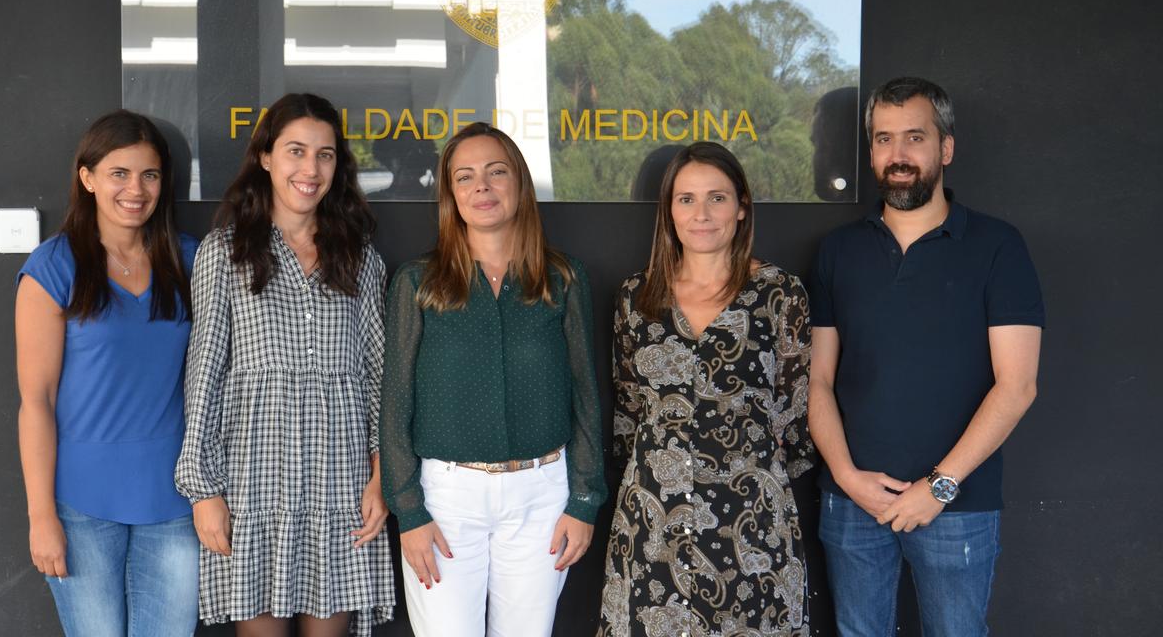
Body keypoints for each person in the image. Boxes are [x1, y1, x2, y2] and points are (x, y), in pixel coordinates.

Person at [808, 77, 1044, 637]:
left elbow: (1018, 386)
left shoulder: (997, 246)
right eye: (884, 139)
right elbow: (817, 379)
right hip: (852, 503)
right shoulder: (838, 250)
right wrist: (846, 476)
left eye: (915, 137)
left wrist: (938, 486)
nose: (898, 156)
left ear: (946, 148)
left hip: (956, 506)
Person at [174, 93, 395, 636]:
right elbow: (204, 371)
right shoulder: (223, 252)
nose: (310, 169)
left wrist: (382, 475)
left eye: (325, 155)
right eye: (296, 151)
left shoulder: (360, 256)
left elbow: (377, 372)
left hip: (340, 483)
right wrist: (204, 490)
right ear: (266, 158)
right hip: (253, 482)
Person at [379, 122, 606, 637]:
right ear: (451, 195)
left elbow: (585, 395)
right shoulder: (419, 281)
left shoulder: (562, 277)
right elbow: (395, 405)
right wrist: (409, 511)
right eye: (465, 177)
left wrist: (585, 500)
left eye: (495, 171)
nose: (481, 186)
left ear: (520, 183)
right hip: (446, 499)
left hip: (542, 498)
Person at [597, 141, 816, 637]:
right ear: (668, 211)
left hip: (750, 518)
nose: (701, 214)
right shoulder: (636, 296)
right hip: (654, 520)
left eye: (717, 198)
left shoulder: (781, 293)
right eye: (686, 199)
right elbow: (630, 407)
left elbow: (794, 408)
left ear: (741, 207)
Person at [16, 109, 200, 636]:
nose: (135, 190)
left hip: (175, 500)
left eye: (150, 174)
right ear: (88, 177)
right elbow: (36, 402)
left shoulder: (189, 261)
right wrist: (40, 517)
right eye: (119, 173)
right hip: (81, 504)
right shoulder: (54, 267)